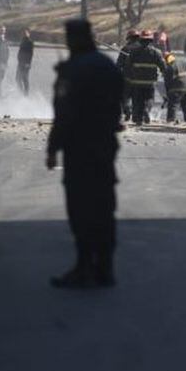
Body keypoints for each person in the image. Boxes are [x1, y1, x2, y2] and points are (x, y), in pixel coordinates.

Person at [46, 19, 123, 288]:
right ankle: (104, 267)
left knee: (80, 208)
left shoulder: (73, 71)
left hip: (79, 149)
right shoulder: (106, 65)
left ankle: (83, 265)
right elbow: (118, 101)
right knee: (103, 207)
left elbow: (63, 113)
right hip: (104, 147)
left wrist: (52, 148)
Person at [127, 29, 166, 126]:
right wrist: (165, 74)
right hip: (150, 82)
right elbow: (163, 66)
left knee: (138, 100)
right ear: (151, 40)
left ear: (140, 39)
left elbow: (128, 66)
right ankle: (146, 111)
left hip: (137, 81)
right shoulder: (156, 52)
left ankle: (139, 119)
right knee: (149, 98)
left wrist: (129, 78)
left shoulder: (134, 51)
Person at [115, 29, 139, 122]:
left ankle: (127, 110)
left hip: (127, 78)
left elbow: (119, 64)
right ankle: (136, 114)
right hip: (140, 78)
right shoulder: (143, 49)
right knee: (137, 97)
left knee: (124, 96)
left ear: (129, 38)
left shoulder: (126, 48)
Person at [162, 53, 186, 123]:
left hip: (176, 89)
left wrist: (168, 93)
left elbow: (167, 83)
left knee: (173, 104)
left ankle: (170, 119)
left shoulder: (169, 68)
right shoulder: (183, 62)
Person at [16, 29, 34, 96]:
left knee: (24, 79)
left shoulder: (29, 42)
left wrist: (28, 63)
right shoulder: (23, 41)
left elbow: (30, 54)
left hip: (25, 64)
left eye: (25, 33)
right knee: (17, 79)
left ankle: (25, 94)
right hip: (20, 63)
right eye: (23, 33)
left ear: (29, 34)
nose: (24, 34)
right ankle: (21, 92)